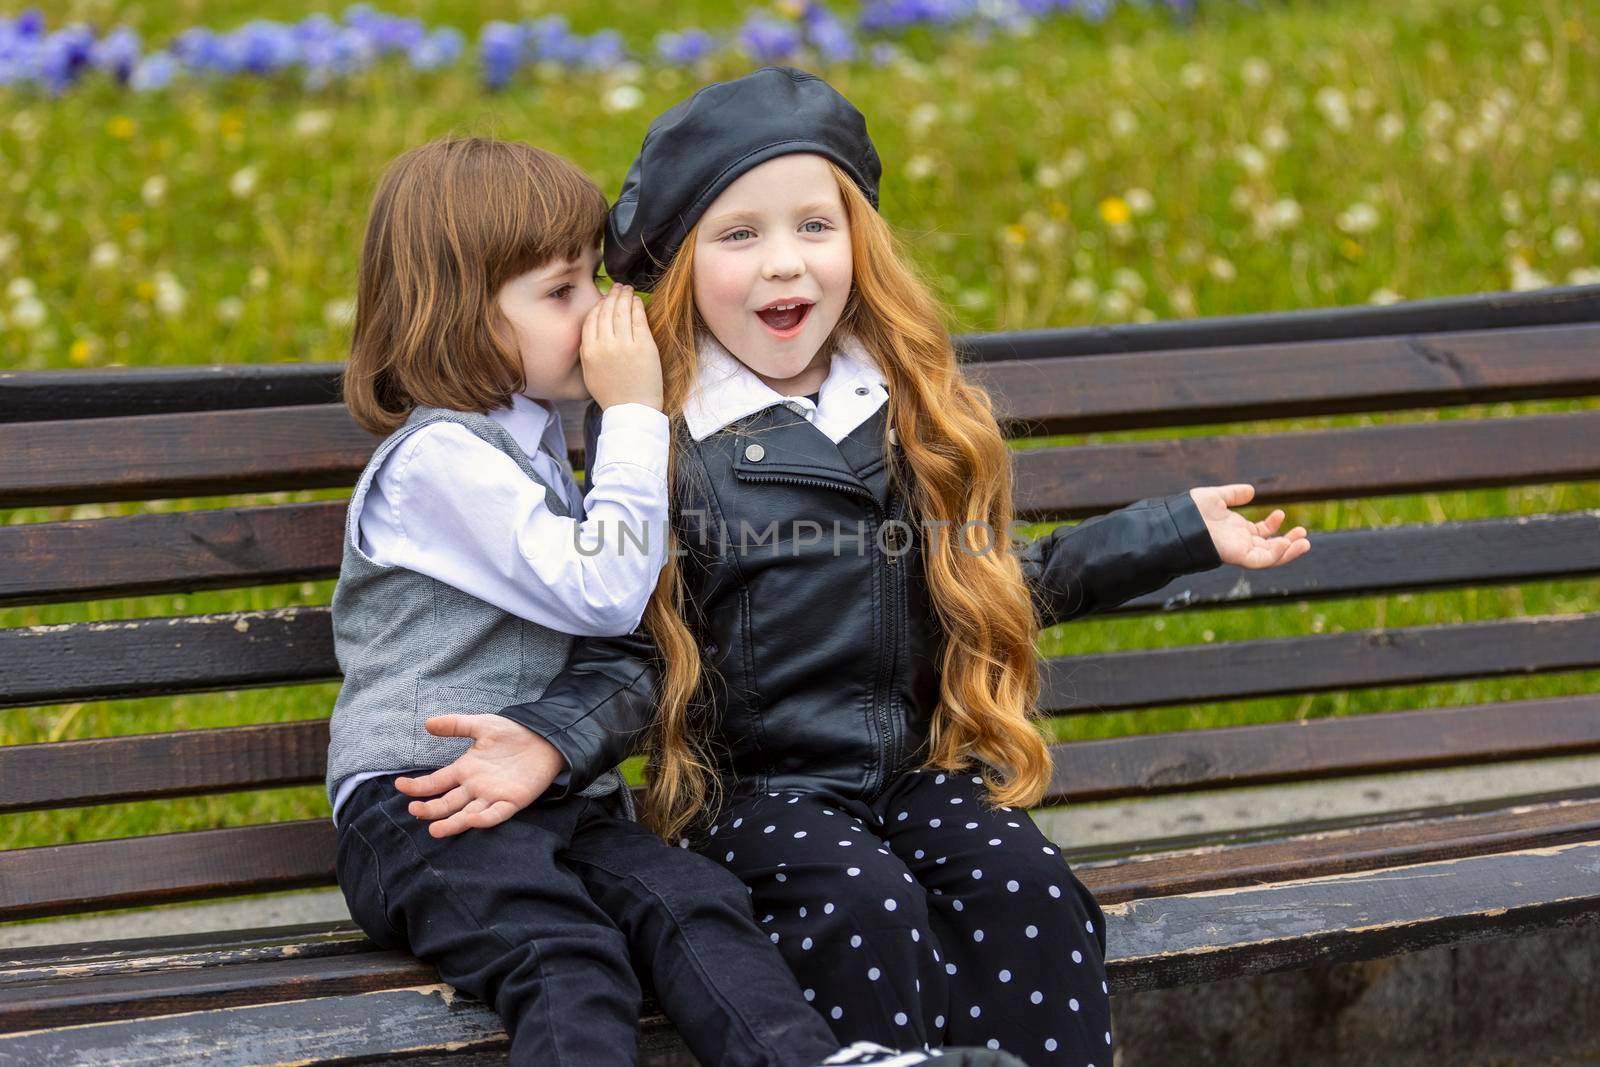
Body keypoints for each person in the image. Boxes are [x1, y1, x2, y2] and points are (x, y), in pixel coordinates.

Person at [409, 68, 1311, 1065]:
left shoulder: (903, 411)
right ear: (679, 263)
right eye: (739, 235)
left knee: (1032, 890)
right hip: (755, 799)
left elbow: (989, 589)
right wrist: (550, 740)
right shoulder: (665, 440)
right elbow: (633, 649)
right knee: (865, 905)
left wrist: (1174, 532)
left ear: (858, 244)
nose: (783, 266)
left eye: (813, 227)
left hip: (911, 774)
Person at [328, 134, 1025, 1067]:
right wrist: (634, 418)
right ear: (460, 315)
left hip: (554, 797)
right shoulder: (436, 462)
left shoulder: (524, 445)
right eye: (563, 291)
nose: (607, 312)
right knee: (569, 962)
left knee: (697, 906)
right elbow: (610, 591)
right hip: (425, 807)